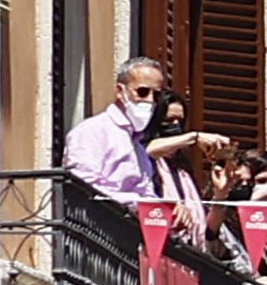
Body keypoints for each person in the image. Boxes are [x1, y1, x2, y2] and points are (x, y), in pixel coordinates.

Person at [64, 57, 181, 208]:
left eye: (157, 95)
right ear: (120, 91)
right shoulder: (92, 131)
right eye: (143, 92)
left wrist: (168, 210)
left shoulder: (138, 147)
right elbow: (82, 188)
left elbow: (146, 195)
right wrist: (134, 201)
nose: (150, 100)